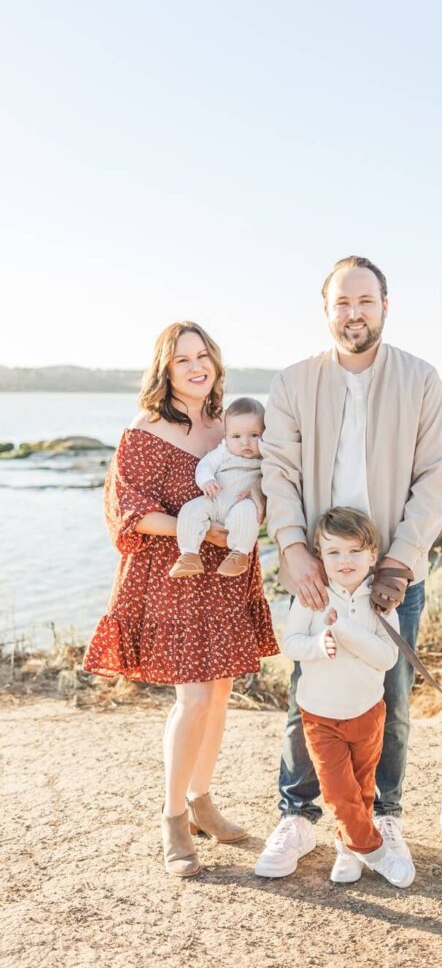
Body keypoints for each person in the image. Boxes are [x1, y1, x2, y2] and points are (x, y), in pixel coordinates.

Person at [256, 256, 442, 880]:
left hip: (391, 569)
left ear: (385, 306)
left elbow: (435, 477)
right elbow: (279, 475)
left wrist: (398, 563)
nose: (354, 314)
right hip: (318, 566)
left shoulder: (420, 379)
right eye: (342, 303)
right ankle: (299, 816)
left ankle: (382, 814)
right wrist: (291, 548)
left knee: (391, 696)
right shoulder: (293, 383)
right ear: (326, 310)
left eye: (365, 301)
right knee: (307, 691)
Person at [83, 321, 278, 877]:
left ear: (216, 363)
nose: (197, 367)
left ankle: (201, 802)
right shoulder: (143, 431)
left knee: (219, 697)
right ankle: (171, 816)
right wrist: (199, 532)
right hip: (173, 575)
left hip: (227, 576)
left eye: (204, 356)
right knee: (192, 700)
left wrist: (253, 516)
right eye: (182, 359)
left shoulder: (231, 427)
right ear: (164, 370)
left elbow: (262, 482)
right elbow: (129, 511)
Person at [281, 506, 413, 888]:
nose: (345, 560)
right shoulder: (313, 596)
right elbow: (291, 644)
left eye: (355, 551)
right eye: (334, 552)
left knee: (362, 788)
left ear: (374, 556)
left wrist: (345, 632)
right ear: (320, 555)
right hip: (320, 715)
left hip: (368, 712)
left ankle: (347, 846)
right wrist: (320, 644)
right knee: (339, 793)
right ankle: (376, 853)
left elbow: (388, 658)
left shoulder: (383, 600)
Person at [169, 396, 264, 579]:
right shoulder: (223, 452)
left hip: (240, 503)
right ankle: (189, 553)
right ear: (226, 436)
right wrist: (206, 481)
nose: (245, 442)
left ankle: (240, 553)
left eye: (254, 435)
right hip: (215, 499)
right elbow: (205, 466)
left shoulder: (265, 458)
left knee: (247, 513)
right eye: (237, 436)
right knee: (190, 509)